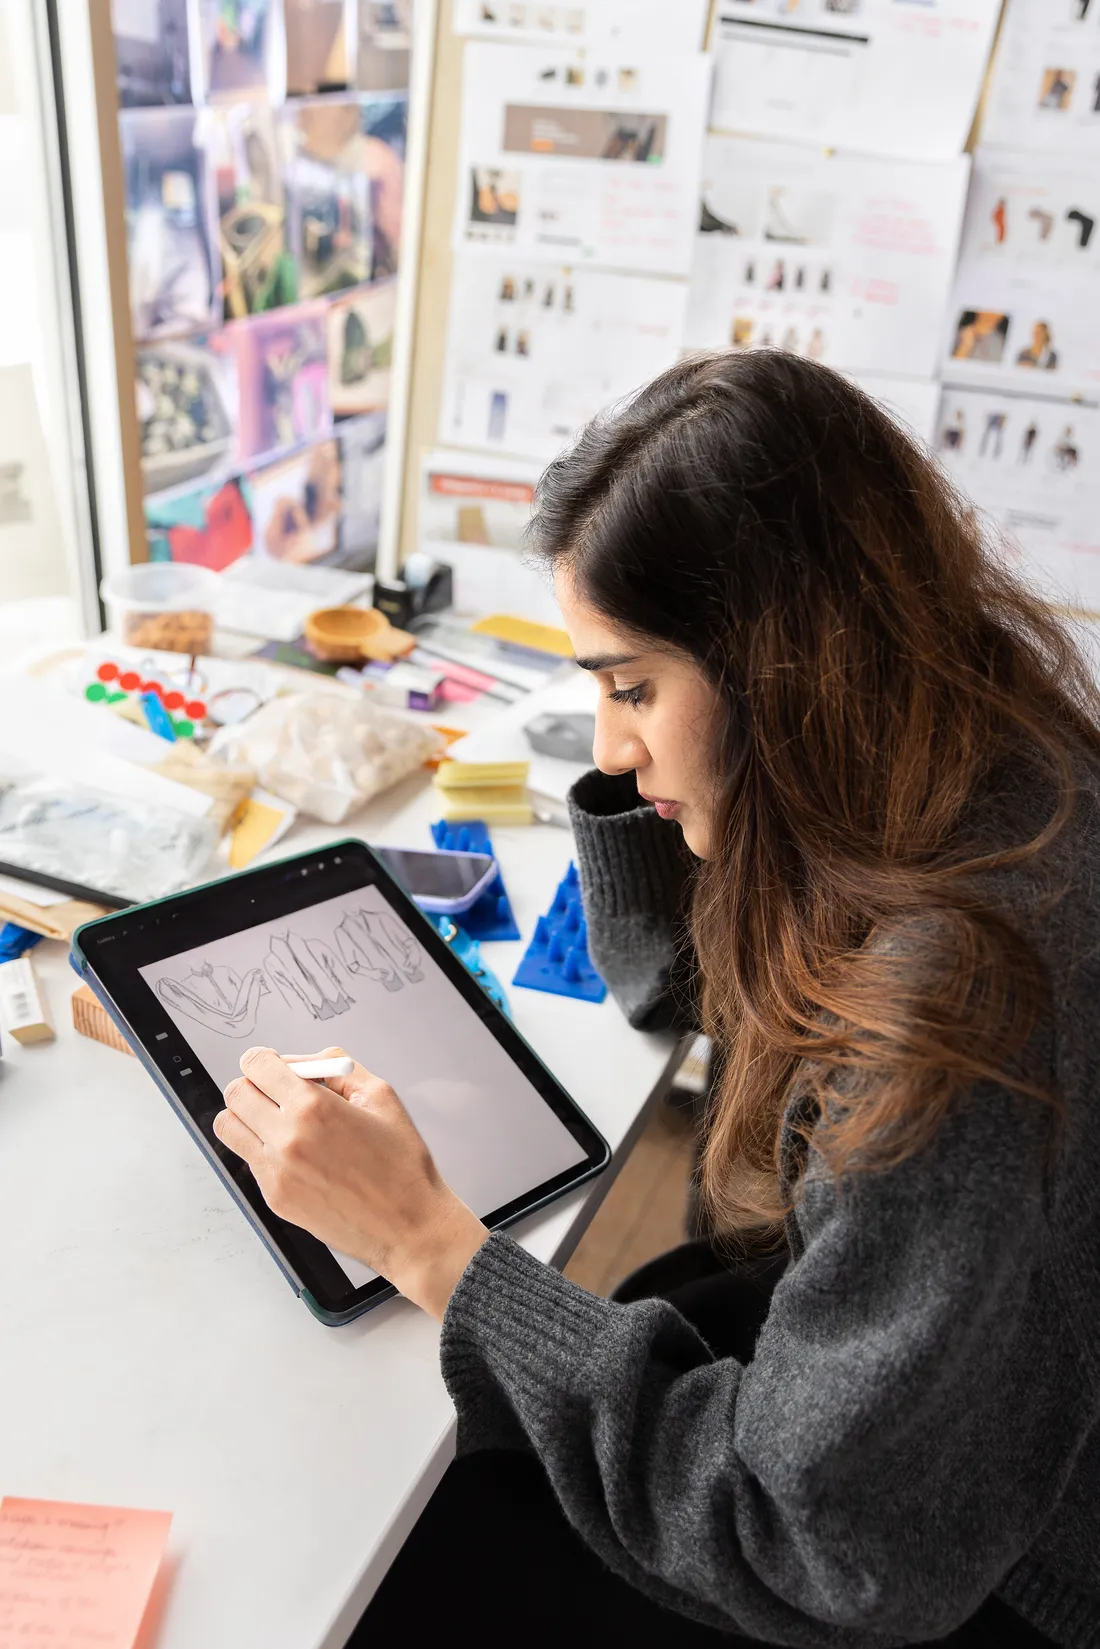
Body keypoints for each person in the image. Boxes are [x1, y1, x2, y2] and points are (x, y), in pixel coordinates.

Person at [215, 353, 1100, 1649]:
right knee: (630, 1319)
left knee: (401, 1562)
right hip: (953, 1428)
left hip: (966, 1570)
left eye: (631, 688)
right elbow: (702, 982)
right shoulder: (983, 763)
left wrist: (430, 1245)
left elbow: (804, 1536)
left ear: (787, 670)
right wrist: (658, 781)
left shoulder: (954, 993)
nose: (611, 745)